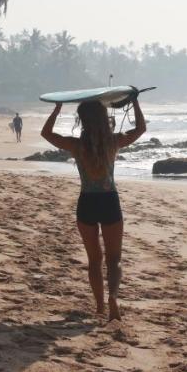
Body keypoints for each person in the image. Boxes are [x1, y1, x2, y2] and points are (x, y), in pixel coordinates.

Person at [40, 92, 146, 322]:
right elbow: (140, 130)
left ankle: (99, 306)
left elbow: (46, 133)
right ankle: (113, 299)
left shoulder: (76, 145)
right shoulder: (114, 142)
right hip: (109, 201)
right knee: (114, 259)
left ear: (82, 120)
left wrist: (57, 109)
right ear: (103, 117)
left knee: (94, 260)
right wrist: (135, 102)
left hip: (86, 203)